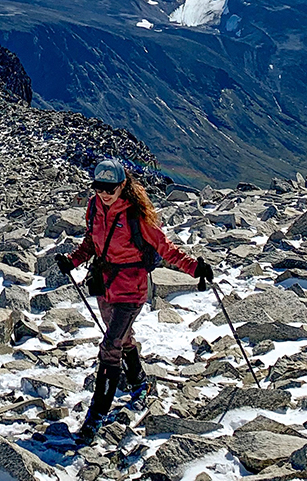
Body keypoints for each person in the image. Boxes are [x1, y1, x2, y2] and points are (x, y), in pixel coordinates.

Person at [55, 158, 213, 441]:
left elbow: (165, 247)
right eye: (99, 187)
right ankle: (139, 380)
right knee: (121, 337)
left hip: (132, 288)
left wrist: (194, 268)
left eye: (110, 187)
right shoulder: (94, 207)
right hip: (104, 283)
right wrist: (73, 260)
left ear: (122, 184)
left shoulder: (136, 214)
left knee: (109, 347)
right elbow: (92, 242)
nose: (104, 193)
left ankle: (96, 416)